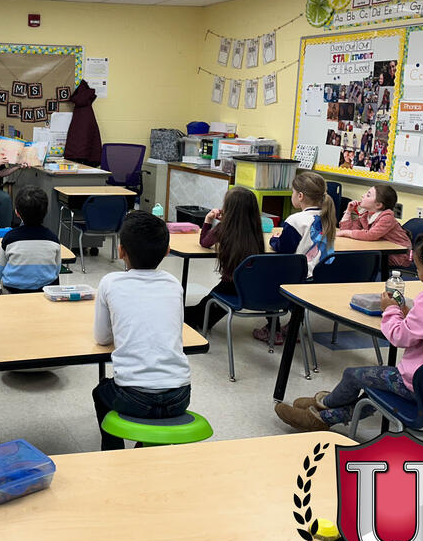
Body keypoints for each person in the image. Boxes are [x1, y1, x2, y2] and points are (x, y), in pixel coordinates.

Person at [274, 230, 423, 431]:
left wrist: (390, 309)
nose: (416, 270)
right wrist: (410, 314)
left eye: (418, 267)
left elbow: (398, 337)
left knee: (354, 375)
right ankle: (327, 415)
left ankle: (323, 407)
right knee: (377, 391)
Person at [92, 211, 190, 450]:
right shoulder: (174, 284)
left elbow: (102, 339)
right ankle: (145, 449)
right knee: (153, 410)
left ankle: (114, 453)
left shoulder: (110, 283)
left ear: (121, 251)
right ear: (167, 251)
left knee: (100, 393)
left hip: (132, 395)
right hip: (180, 395)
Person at [262, 172, 337, 344]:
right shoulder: (328, 217)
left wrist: (274, 240)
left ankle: (273, 329)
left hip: (297, 277)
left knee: (266, 275)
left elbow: (284, 250)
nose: (292, 195)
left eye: (293, 192)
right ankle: (293, 326)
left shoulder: (295, 220)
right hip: (320, 277)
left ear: (300, 196)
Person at [183, 187, 264, 332]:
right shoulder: (256, 229)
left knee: (194, 315)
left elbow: (204, 242)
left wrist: (208, 220)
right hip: (254, 287)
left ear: (229, 209)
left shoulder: (223, 228)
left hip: (231, 286)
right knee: (203, 309)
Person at [0, 186, 62, 294]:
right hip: (45, 294)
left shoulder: (9, 238)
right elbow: (57, 270)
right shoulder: (53, 239)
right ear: (46, 212)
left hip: (13, 293)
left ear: (17, 212)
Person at [338, 185, 412, 268]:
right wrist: (348, 211)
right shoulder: (365, 214)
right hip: (379, 252)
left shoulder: (387, 217)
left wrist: (346, 233)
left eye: (368, 195)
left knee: (351, 260)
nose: (363, 196)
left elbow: (371, 235)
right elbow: (346, 230)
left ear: (378, 205)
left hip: (398, 256)